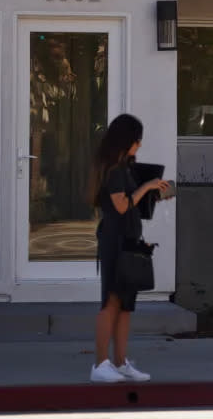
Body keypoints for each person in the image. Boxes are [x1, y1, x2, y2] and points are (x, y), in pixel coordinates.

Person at [89, 113, 172, 383]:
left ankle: (121, 362)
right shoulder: (113, 170)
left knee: (126, 305)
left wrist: (154, 191)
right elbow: (122, 205)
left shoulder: (126, 167)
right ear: (125, 140)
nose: (139, 145)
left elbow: (134, 206)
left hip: (129, 238)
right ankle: (100, 363)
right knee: (111, 303)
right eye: (137, 140)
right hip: (114, 241)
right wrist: (146, 186)